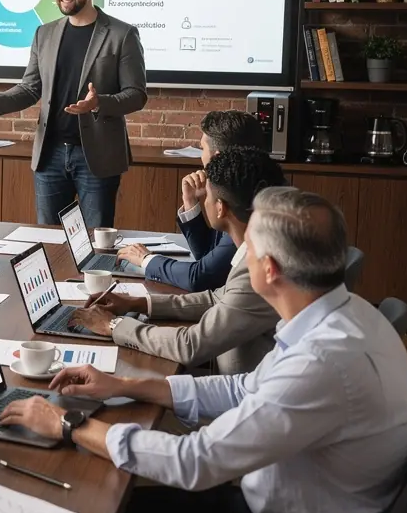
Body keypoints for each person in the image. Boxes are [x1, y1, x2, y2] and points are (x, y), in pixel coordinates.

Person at [0, 187, 407, 513]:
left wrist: (68, 424)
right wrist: (127, 385)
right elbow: (246, 389)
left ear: (270, 270)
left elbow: (192, 462)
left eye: (249, 248)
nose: (240, 255)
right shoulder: (347, 315)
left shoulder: (321, 362)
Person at [0, 0, 147, 228]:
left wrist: (99, 103)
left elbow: (136, 94)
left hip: (97, 156)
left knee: (96, 242)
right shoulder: (45, 34)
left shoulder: (121, 34)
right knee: (49, 238)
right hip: (50, 155)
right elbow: (30, 89)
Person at [70, 145, 286, 374]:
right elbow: (217, 300)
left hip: (240, 397)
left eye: (209, 196)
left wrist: (113, 325)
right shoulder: (264, 246)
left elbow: (190, 345)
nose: (206, 202)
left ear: (221, 208)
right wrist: (137, 303)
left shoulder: (260, 268)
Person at [117, 109, 266, 291]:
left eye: (202, 148)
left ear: (216, 156)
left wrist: (146, 259)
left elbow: (200, 277)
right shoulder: (247, 183)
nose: (201, 156)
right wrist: (190, 202)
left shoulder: (245, 200)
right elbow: (208, 256)